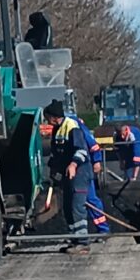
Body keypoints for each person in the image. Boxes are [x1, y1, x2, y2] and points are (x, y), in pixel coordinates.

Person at [45, 99, 93, 254]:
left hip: (79, 173)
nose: (47, 121)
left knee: (77, 207)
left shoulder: (72, 127)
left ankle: (83, 242)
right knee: (67, 207)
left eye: (47, 118)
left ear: (54, 117)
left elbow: (82, 151)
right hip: (67, 174)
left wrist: (73, 165)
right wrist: (53, 169)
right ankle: (74, 239)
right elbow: (56, 154)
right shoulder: (56, 129)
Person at [74, 115, 111, 234]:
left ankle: (103, 229)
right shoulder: (62, 127)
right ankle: (76, 233)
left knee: (90, 199)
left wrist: (97, 161)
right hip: (72, 173)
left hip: (83, 170)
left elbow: (93, 145)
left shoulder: (75, 125)